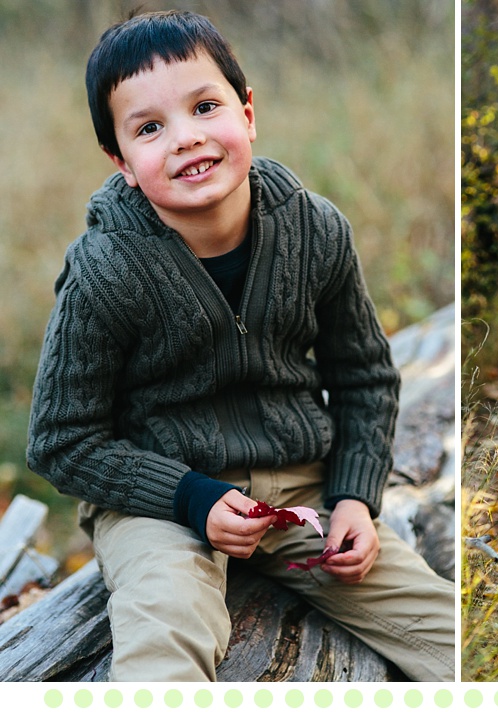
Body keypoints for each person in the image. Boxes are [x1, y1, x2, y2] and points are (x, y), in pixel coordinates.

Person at [26, 10, 454, 682]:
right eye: (149, 128)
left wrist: (354, 497)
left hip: (298, 484)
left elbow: (364, 378)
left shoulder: (315, 230)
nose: (186, 138)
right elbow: (61, 440)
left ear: (247, 112)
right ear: (121, 162)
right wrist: (191, 498)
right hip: (159, 496)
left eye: (204, 106)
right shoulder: (105, 269)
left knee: (444, 632)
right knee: (167, 626)